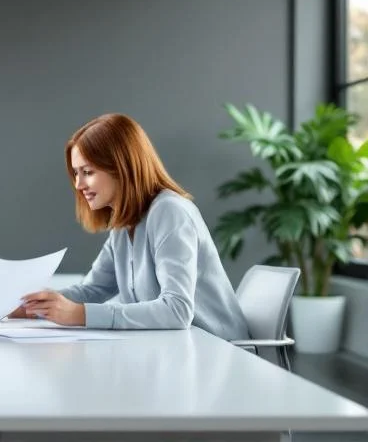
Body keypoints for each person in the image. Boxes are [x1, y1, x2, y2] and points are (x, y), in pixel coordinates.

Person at [16, 113, 249, 341]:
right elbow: (92, 289)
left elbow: (177, 310)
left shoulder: (170, 212)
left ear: (121, 167)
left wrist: (80, 315)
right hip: (177, 351)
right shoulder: (124, 223)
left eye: (87, 172)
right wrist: (25, 306)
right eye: (76, 173)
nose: (78, 184)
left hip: (218, 354)